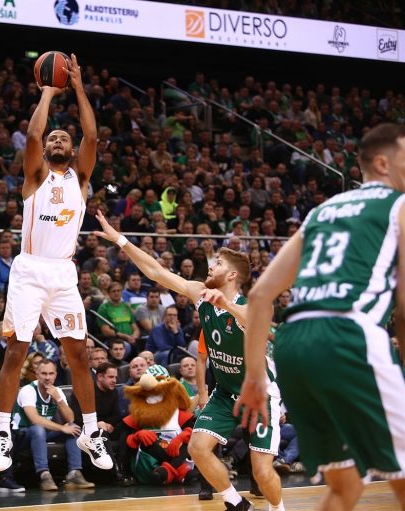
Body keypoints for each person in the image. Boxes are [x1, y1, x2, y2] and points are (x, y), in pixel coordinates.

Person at [238, 123, 405, 511]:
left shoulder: (321, 211)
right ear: (382, 163)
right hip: (349, 335)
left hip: (295, 346)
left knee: (345, 485)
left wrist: (254, 377)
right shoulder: (398, 206)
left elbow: (261, 295)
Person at [93, 210, 284, 511]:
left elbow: (265, 327)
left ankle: (278, 508)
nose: (211, 265)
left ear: (232, 275)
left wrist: (228, 307)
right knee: (197, 447)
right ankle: (235, 503)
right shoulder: (201, 294)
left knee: (261, 470)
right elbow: (156, 272)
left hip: (259, 395)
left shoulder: (251, 305)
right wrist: (119, 239)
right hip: (225, 392)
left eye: (218, 263)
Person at [0, 54, 113, 474]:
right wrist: (47, 90)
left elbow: (93, 137)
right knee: (16, 351)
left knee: (79, 354)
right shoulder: (36, 177)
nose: (59, 140)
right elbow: (31, 134)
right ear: (45, 151)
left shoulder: (79, 178)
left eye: (65, 137)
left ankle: (91, 431)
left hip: (63, 272)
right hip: (29, 269)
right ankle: (3, 430)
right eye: (54, 139)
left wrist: (77, 87)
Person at [11, 358, 94, 490]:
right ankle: (44, 475)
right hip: (21, 434)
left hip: (44, 433)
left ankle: (74, 473)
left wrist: (59, 400)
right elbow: (34, 419)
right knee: (38, 429)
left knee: (73, 428)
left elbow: (70, 419)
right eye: (44, 374)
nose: (48, 377)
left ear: (56, 374)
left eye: (51, 374)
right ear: (37, 375)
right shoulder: (28, 390)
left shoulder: (57, 391)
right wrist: (61, 428)